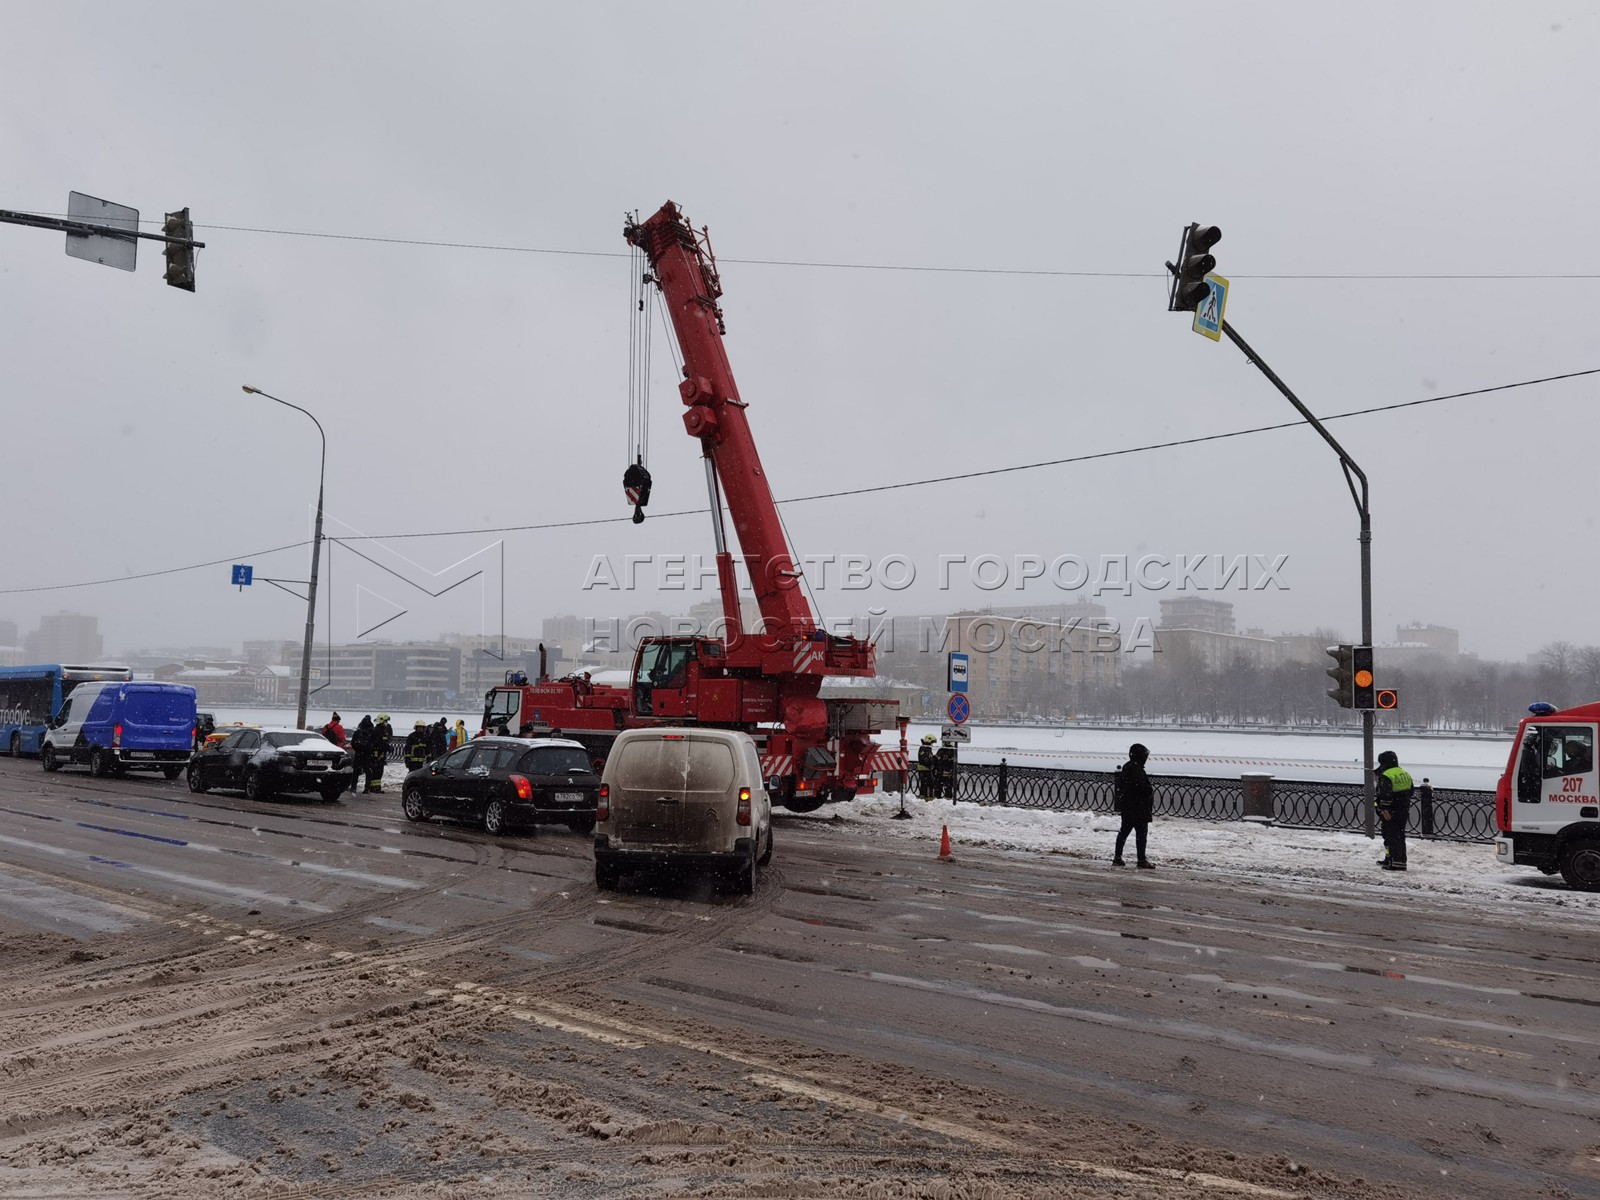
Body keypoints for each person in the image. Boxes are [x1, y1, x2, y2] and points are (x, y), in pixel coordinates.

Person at [1112, 742, 1156, 869]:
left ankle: (1117, 857)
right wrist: (1148, 791)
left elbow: (1125, 787)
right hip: (1138, 808)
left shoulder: (1129, 767)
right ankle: (1141, 860)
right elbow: (1140, 787)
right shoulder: (1136, 769)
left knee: (1124, 832)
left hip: (1129, 807)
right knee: (1141, 835)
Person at [1375, 748, 1415, 871]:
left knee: (1391, 835)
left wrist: (1384, 809)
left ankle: (1394, 861)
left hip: (1390, 811)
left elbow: (1385, 795)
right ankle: (1399, 860)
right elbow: (1411, 791)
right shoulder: (1404, 773)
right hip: (1403, 809)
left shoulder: (1386, 775)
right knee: (1400, 835)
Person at [349, 716, 376, 794]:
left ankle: (353, 787)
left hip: (359, 754)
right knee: (368, 772)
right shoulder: (372, 732)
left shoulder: (358, 732)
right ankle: (367, 788)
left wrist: (357, 750)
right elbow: (375, 743)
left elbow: (353, 742)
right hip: (368, 754)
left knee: (356, 771)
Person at [371, 714, 393, 793]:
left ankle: (376, 787)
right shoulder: (377, 730)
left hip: (381, 754)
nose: (386, 723)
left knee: (379, 771)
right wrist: (388, 747)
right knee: (376, 771)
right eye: (385, 721)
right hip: (377, 754)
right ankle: (374, 788)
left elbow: (385, 741)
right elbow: (379, 743)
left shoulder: (383, 730)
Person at [915, 734, 936, 799]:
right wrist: (933, 761)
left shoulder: (926, 749)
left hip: (926, 769)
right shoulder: (924, 749)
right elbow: (926, 760)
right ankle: (925, 797)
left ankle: (926, 796)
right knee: (926, 784)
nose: (932, 744)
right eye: (932, 742)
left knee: (927, 784)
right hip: (924, 770)